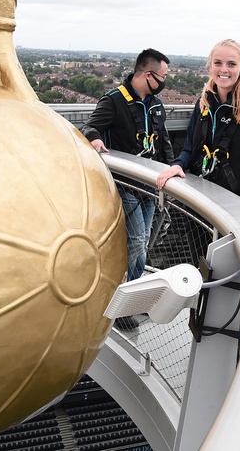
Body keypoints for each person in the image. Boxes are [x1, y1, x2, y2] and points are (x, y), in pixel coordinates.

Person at [80, 49, 174, 328]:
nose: (165, 81)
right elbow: (89, 127)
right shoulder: (114, 101)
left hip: (149, 186)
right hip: (125, 187)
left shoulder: (156, 105)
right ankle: (123, 307)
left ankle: (128, 299)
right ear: (148, 74)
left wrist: (170, 171)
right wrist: (95, 140)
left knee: (141, 243)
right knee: (135, 244)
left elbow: (164, 142)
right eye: (163, 76)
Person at [156, 39, 240, 211]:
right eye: (218, 63)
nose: (224, 69)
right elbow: (190, 149)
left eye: (231, 64)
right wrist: (178, 165)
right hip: (199, 201)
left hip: (235, 207)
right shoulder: (203, 105)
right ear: (210, 66)